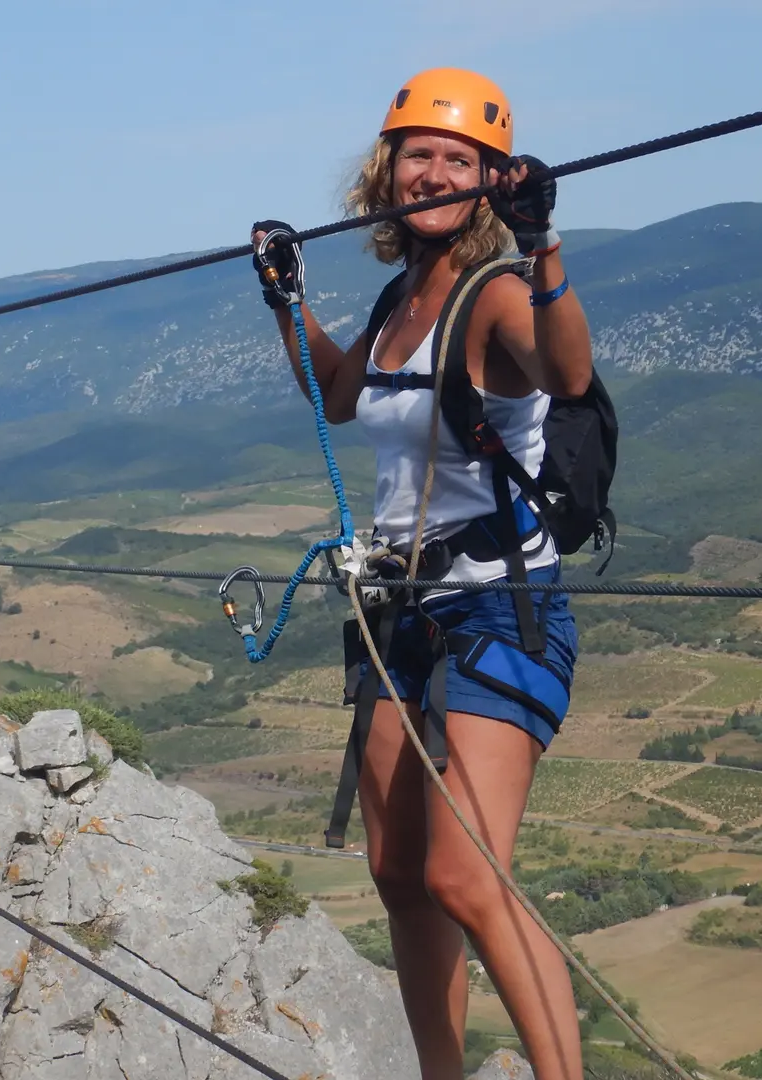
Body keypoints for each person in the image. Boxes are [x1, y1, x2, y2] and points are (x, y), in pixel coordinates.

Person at [250, 69, 593, 1080]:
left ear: (490, 180)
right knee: (398, 874)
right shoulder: (404, 296)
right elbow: (343, 398)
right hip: (403, 612)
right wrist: (289, 302)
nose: (433, 171)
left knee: (467, 876)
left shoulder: (494, 295)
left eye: (458, 159)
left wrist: (544, 247)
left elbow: (567, 375)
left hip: (499, 607)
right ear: (387, 170)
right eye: (418, 153)